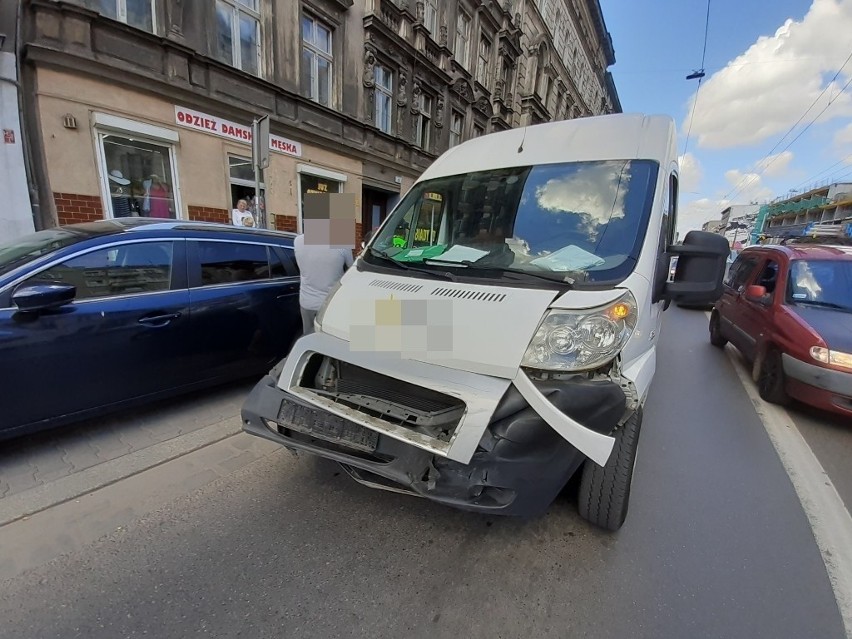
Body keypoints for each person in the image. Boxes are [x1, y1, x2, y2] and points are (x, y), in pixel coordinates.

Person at [293, 228, 354, 335]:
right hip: (330, 304)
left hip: (307, 302)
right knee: (330, 340)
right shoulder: (343, 242)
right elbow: (352, 270)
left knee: (309, 337)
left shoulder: (298, 241)